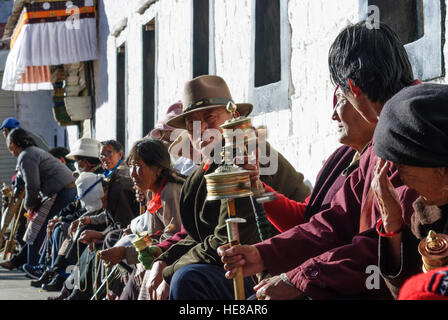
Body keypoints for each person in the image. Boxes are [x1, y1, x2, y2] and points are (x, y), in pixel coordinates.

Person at [218, 21, 420, 300]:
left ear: (352, 88)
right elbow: (335, 221)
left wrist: (299, 278)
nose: (335, 114)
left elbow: (381, 247)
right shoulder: (367, 148)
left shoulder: (408, 135)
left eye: (340, 98)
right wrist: (263, 254)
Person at [144, 75, 310, 300]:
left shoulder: (248, 155)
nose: (201, 129)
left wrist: (169, 271)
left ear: (234, 117)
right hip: (245, 263)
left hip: (283, 266)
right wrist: (163, 260)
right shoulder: (204, 171)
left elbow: (229, 239)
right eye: (192, 124)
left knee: (188, 279)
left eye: (210, 117)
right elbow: (200, 235)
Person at [371, 83, 448, 299]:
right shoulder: (427, 212)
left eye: (402, 164)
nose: (399, 176)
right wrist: (392, 222)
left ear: (440, 167)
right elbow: (405, 291)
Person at [99, 139, 184, 299]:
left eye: (138, 166)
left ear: (158, 168)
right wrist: (134, 251)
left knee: (144, 271)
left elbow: (174, 239)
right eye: (131, 165)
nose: (132, 173)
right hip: (162, 250)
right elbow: (153, 234)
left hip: (177, 255)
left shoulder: (170, 192)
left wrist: (129, 252)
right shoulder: (153, 191)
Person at [1, 128, 76, 279]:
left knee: (38, 227)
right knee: (37, 227)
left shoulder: (26, 155)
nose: (10, 151)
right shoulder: (32, 152)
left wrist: (30, 205)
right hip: (62, 190)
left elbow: (32, 185)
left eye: (10, 147)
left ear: (14, 145)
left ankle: (35, 267)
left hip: (62, 192)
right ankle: (31, 264)